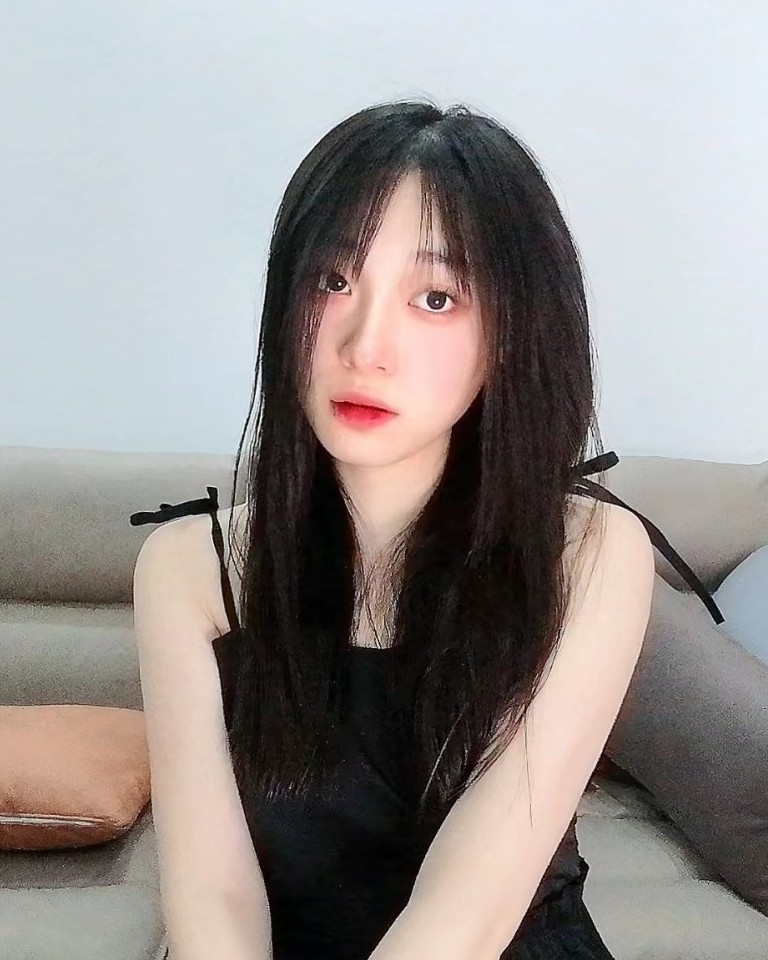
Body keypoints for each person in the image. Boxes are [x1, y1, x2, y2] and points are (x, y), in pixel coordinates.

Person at [131, 99, 722, 960]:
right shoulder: (188, 569)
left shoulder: (588, 552)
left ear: (511, 332)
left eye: (435, 298)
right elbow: (212, 895)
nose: (365, 346)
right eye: (333, 282)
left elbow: (471, 909)